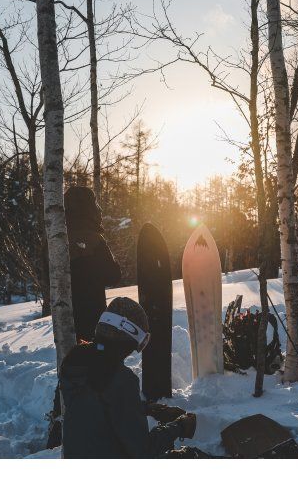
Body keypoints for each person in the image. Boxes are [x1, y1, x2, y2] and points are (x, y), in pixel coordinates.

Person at [60, 297, 196, 458]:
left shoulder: (76, 361)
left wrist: (147, 408)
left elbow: (97, 407)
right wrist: (179, 427)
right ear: (127, 339)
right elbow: (143, 452)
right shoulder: (120, 378)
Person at [64, 186, 121, 341]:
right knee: (93, 359)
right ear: (88, 208)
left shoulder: (55, 238)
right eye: (95, 204)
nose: (99, 210)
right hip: (92, 317)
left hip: (64, 320)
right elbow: (113, 276)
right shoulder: (94, 239)